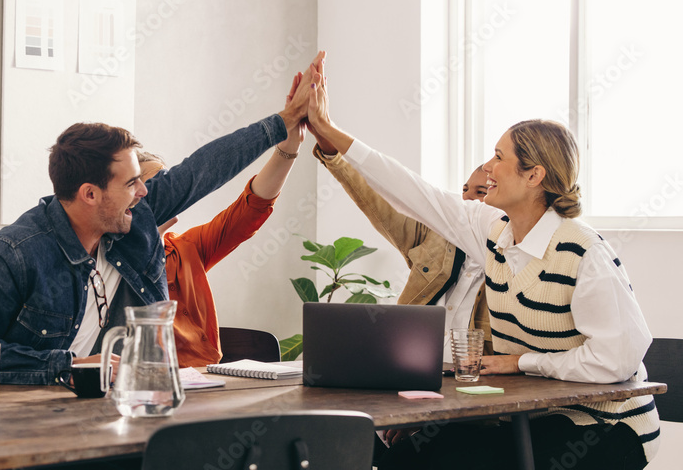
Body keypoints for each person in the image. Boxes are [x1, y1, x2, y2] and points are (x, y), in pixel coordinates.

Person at [304, 61, 659, 469]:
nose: (487, 168)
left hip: (608, 425)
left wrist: (523, 362)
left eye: (498, 157)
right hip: (530, 415)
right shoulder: (493, 231)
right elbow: (414, 193)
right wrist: (332, 134)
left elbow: (619, 359)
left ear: (533, 176)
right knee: (406, 460)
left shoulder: (583, 253)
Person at [0, 52, 321, 386]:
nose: (144, 191)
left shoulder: (135, 218)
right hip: (29, 417)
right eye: (132, 183)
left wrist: (285, 121)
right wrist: (64, 365)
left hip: (120, 408)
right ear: (90, 194)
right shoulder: (15, 253)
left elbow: (204, 169)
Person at [138, 73, 307, 368]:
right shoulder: (109, 262)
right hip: (155, 388)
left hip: (212, 382)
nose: (168, 191)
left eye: (168, 181)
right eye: (156, 185)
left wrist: (290, 146)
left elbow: (251, 209)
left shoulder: (189, 247)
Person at [312, 145, 493, 362]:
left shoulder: (512, 259)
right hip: (409, 369)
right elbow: (379, 204)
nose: (466, 199)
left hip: (479, 384)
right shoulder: (434, 236)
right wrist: (334, 158)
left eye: (481, 192)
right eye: (465, 190)